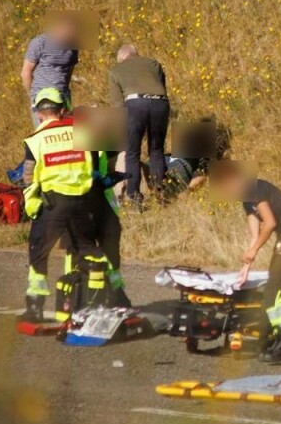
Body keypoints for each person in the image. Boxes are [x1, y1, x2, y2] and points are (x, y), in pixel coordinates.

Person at [20, 88, 101, 322]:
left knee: (39, 252)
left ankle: (35, 308)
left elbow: (29, 177)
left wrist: (32, 205)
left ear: (39, 112)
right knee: (87, 251)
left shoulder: (35, 140)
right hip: (83, 203)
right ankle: (89, 305)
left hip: (54, 205)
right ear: (62, 108)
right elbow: (94, 166)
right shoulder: (81, 131)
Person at [223, 168, 281, 364]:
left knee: (274, 290)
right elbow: (255, 236)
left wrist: (254, 251)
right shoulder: (246, 201)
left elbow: (269, 223)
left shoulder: (255, 188)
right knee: (276, 287)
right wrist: (246, 265)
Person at [108, 44, 170, 208]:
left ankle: (134, 197)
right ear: (136, 54)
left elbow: (117, 105)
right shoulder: (154, 64)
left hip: (135, 105)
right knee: (156, 149)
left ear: (122, 58)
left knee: (132, 153)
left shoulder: (115, 71)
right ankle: (160, 192)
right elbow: (162, 88)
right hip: (161, 104)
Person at [21, 14, 79, 129]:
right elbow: (26, 72)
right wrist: (32, 96)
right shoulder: (39, 42)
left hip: (62, 96)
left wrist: (66, 91)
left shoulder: (73, 46)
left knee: (66, 131)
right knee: (45, 132)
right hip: (41, 98)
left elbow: (69, 69)